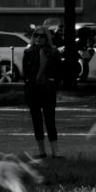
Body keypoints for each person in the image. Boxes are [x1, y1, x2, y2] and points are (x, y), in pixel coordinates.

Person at [17, 20, 61, 157]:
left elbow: (59, 72)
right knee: (37, 121)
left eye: (42, 36)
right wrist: (29, 85)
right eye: (36, 35)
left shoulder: (53, 53)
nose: (39, 38)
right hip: (33, 90)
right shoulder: (29, 52)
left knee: (50, 120)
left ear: (47, 38)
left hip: (47, 90)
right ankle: (42, 151)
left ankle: (55, 151)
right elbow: (25, 73)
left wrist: (52, 84)